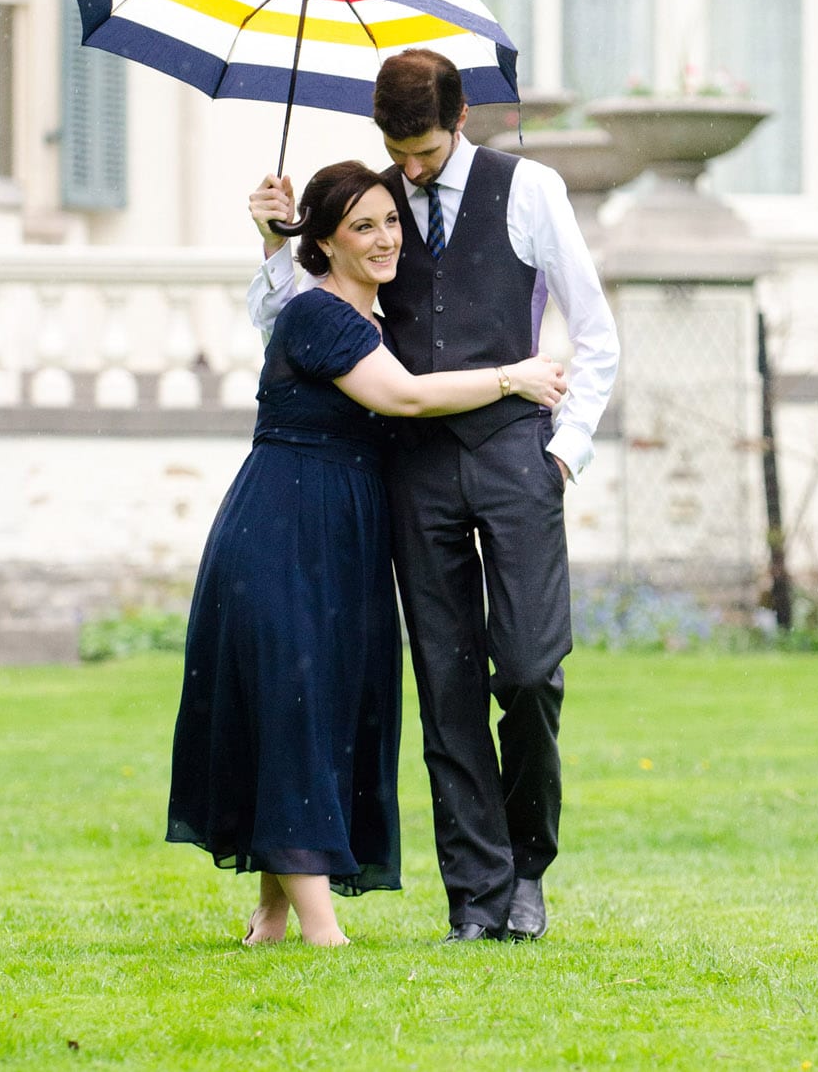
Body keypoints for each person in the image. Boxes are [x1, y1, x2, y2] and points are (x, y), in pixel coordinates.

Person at [248, 49, 620, 943]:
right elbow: (298, 320)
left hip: (517, 459)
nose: (408, 170)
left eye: (422, 150)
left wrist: (564, 454)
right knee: (446, 684)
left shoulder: (529, 189)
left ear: (460, 120)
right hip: (412, 470)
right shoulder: (367, 207)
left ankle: (528, 864)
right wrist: (272, 245)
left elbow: (596, 331)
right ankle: (479, 898)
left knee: (529, 671)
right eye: (393, 147)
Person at [167, 160, 566, 948]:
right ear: (324, 242)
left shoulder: (370, 323)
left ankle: (272, 919)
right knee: (297, 708)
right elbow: (406, 398)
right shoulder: (322, 317)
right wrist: (512, 377)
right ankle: (323, 931)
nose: (387, 238)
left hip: (342, 534)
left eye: (392, 221)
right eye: (364, 226)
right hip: (286, 528)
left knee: (317, 706)